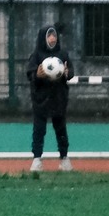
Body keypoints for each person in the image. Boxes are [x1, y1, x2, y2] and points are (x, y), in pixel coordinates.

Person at [27, 25, 72, 173]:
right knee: (39, 129)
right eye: (49, 35)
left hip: (58, 98)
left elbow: (70, 72)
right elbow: (30, 74)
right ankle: (37, 159)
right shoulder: (36, 55)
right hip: (41, 99)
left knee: (61, 129)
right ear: (43, 38)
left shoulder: (63, 54)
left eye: (54, 35)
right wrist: (37, 75)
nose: (52, 38)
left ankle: (64, 159)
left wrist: (67, 73)